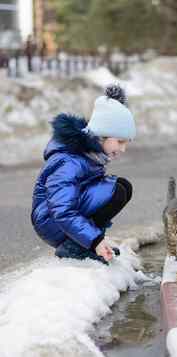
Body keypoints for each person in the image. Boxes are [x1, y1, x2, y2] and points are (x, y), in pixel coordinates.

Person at [31, 84, 136, 265]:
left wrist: (97, 239)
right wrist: (94, 241)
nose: (123, 149)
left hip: (62, 218)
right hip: (52, 222)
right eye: (119, 141)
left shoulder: (90, 154)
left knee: (123, 187)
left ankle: (87, 241)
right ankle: (74, 246)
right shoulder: (69, 162)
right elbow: (62, 209)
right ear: (103, 135)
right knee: (115, 191)